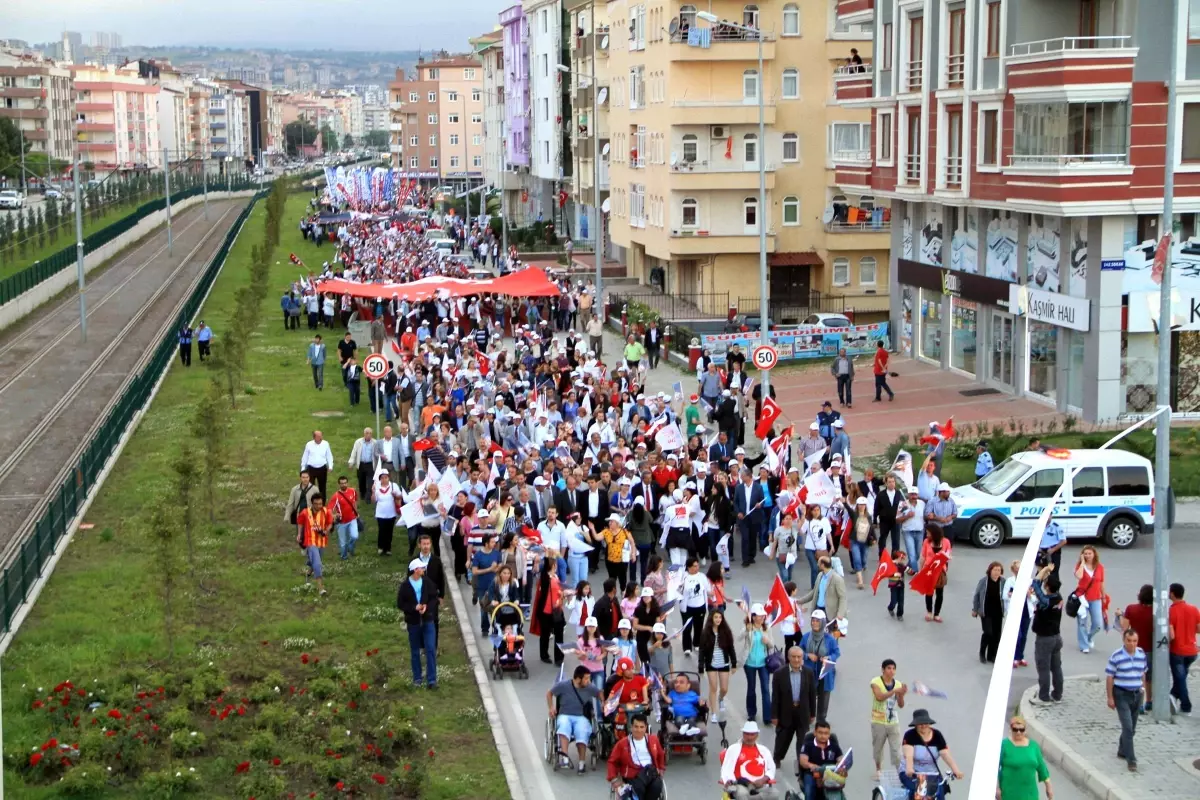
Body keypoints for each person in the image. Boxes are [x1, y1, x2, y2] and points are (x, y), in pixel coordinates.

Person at [1105, 628, 1147, 772]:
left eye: (1134, 641)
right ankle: (1131, 760)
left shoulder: (1141, 654)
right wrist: (1110, 697)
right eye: (1129, 641)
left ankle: (1122, 750)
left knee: (1132, 728)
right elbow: (1110, 677)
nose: (1132, 644)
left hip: (1137, 694)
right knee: (1127, 727)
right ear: (1124, 641)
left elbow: (1143, 673)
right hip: (1122, 694)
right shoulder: (1116, 656)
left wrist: (1143, 690)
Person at [547, 665, 602, 774]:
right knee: (563, 725)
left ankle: (582, 763)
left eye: (588, 678)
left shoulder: (589, 687)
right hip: (565, 715)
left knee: (582, 731)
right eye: (586, 678)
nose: (588, 681)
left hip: (581, 717)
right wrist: (551, 707)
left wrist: (604, 702)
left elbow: (599, 693)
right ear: (578, 678)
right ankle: (565, 758)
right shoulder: (563, 685)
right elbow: (549, 693)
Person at [769, 646, 816, 767]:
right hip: (785, 713)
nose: (796, 660)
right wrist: (774, 715)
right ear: (788, 657)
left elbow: (812, 694)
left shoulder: (808, 672)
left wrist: (812, 714)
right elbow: (775, 697)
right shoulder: (779, 674)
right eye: (793, 657)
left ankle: (801, 762)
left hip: (803, 712)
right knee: (783, 738)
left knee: (802, 740)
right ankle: (777, 757)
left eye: (799, 657)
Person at [900, 709, 964, 798]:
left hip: (932, 774)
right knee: (917, 793)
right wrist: (909, 769)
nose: (923, 726)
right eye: (920, 723)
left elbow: (945, 754)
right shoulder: (910, 735)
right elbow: (909, 755)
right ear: (915, 725)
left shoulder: (937, 735)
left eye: (925, 723)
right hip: (914, 772)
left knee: (939, 793)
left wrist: (956, 770)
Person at [396, 558, 439, 689]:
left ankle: (432, 680)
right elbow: (400, 604)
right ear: (415, 570)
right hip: (413, 622)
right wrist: (413, 608)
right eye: (421, 568)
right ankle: (417, 678)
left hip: (428, 620)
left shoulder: (426, 582)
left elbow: (433, 597)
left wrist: (426, 606)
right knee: (415, 651)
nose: (424, 570)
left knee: (430, 649)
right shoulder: (405, 586)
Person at [606, 714, 665, 800]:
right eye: (636, 726)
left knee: (657, 786)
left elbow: (660, 754)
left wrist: (661, 768)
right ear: (631, 727)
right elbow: (612, 761)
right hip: (632, 774)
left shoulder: (653, 740)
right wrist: (613, 778)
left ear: (646, 727)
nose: (639, 730)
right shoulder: (622, 744)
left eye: (642, 727)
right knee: (637, 788)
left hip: (650, 773)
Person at [1029, 565, 1065, 705]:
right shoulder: (1058, 597)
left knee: (1043, 667)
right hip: (1056, 637)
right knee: (1056, 667)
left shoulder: (1046, 601)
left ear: (1048, 587)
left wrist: (1044, 570)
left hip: (1045, 638)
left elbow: (1035, 583)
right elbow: (1042, 583)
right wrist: (1047, 572)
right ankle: (1057, 695)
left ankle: (1043, 697)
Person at [997, 715, 1053, 800]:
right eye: (1015, 729)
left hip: (1030, 793)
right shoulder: (1004, 745)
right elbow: (994, 768)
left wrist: (1048, 787)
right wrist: (997, 788)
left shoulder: (1033, 746)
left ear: (1025, 731)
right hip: (1009, 793)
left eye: (1021, 730)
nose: (1018, 732)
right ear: (1010, 730)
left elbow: (1042, 767)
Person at [720, 721, 779, 800]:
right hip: (741, 785)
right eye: (747, 734)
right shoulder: (733, 749)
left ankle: (751, 798)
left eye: (752, 734)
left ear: (757, 735)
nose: (749, 737)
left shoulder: (764, 750)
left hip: (759, 785)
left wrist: (763, 780)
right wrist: (730, 781)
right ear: (743, 734)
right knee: (742, 794)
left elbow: (772, 768)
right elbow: (726, 769)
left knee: (775, 793)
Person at [800, 610, 840, 721]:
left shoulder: (829, 639)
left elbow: (836, 653)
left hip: (825, 672)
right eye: (813, 620)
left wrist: (829, 658)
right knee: (809, 696)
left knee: (824, 697)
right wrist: (807, 655)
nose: (814, 623)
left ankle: (821, 720)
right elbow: (799, 651)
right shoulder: (806, 637)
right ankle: (809, 717)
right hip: (809, 672)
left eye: (817, 621)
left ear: (822, 623)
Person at [1120, 584, 1155, 710]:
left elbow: (1124, 628)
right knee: (1148, 677)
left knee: (1137, 676)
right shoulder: (1156, 611)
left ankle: (1138, 703)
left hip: (1134, 648)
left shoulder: (1131, 608)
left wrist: (1119, 616)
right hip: (1150, 648)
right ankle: (1149, 700)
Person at [870, 659, 906, 780]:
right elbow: (879, 697)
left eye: (893, 668)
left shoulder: (898, 684)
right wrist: (894, 691)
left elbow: (901, 705)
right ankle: (878, 769)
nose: (891, 671)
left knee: (896, 749)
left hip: (893, 721)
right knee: (878, 748)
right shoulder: (875, 682)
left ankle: (900, 772)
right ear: (883, 669)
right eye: (889, 668)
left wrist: (901, 695)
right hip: (878, 721)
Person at [699, 609, 736, 719]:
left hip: (724, 663)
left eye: (720, 617)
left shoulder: (726, 631)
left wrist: (733, 663)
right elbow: (702, 650)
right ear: (711, 618)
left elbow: (731, 648)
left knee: (724, 689)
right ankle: (713, 712)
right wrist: (701, 666)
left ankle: (721, 698)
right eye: (716, 617)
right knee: (713, 687)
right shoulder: (706, 632)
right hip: (711, 663)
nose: (718, 619)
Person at [1168, 582, 1199, 715]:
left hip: (1178, 652)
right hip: (1192, 651)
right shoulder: (1193, 609)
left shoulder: (1172, 610)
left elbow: (1172, 635)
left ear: (1173, 594)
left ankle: (1186, 706)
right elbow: (1198, 629)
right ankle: (1172, 695)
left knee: (1180, 679)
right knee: (1181, 678)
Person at [741, 603, 774, 724]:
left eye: (763, 616)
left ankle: (767, 716)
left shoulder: (767, 628)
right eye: (759, 616)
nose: (761, 618)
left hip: (764, 663)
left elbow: (772, 645)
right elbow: (739, 637)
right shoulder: (748, 627)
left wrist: (767, 641)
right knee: (751, 688)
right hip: (749, 663)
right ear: (753, 617)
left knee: (765, 689)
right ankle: (751, 713)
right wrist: (746, 629)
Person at [531, 556, 567, 665]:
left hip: (556, 609)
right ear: (551, 566)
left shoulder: (555, 576)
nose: (556, 566)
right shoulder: (545, 578)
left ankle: (559, 658)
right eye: (554, 564)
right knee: (545, 634)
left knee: (559, 634)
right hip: (545, 611)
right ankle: (544, 655)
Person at [796, 556, 847, 630]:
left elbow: (842, 597)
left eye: (818, 563)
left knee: (830, 636)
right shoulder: (820, 575)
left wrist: (840, 614)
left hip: (830, 613)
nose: (817, 564)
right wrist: (800, 601)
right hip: (818, 609)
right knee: (817, 633)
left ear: (823, 565)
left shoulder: (837, 579)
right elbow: (814, 592)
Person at [295, 492, 331, 596]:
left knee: (315, 560)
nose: (319, 506)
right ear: (312, 503)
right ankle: (321, 588)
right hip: (310, 541)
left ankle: (308, 573)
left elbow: (329, 523)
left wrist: (326, 531)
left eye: (320, 503)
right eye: (316, 504)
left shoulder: (326, 511)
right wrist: (299, 534)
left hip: (322, 541)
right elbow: (300, 522)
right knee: (318, 563)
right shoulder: (305, 512)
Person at [798, 720, 844, 800]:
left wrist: (840, 764)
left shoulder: (834, 746)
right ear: (815, 733)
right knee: (809, 792)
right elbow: (803, 761)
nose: (823, 736)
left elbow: (840, 759)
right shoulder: (808, 745)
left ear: (829, 734)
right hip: (812, 774)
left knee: (839, 792)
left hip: (830, 774)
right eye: (820, 733)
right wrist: (811, 765)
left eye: (826, 733)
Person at [1072, 545, 1105, 653]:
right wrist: (1082, 563)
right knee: (1082, 622)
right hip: (1082, 598)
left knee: (1098, 624)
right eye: (1085, 553)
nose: (1087, 555)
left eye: (1089, 553)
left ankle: (1089, 637)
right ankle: (1084, 645)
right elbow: (1079, 576)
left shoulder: (1099, 567)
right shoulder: (1079, 566)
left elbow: (1101, 582)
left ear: (1094, 554)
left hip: (1096, 598)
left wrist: (1103, 595)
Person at [972, 561, 1005, 663]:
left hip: (998, 612)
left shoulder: (1003, 581)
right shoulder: (983, 581)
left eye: (999, 570)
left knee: (997, 635)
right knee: (988, 632)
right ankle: (982, 653)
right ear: (990, 570)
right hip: (986, 612)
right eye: (995, 570)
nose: (996, 572)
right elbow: (977, 595)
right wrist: (975, 609)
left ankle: (992, 655)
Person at [472, 533, 504, 637]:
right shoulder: (478, 555)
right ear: (486, 543)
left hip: (495, 586)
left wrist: (497, 568)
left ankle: (496, 627)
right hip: (482, 585)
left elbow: (500, 565)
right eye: (492, 542)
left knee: (496, 606)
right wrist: (489, 569)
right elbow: (475, 571)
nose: (494, 543)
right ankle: (485, 628)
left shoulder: (496, 554)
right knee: (484, 608)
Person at [920, 525, 951, 622]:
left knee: (939, 593)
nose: (927, 534)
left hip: (940, 570)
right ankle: (929, 612)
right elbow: (923, 557)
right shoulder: (926, 542)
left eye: (928, 533)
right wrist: (921, 571)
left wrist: (947, 559)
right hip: (928, 570)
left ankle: (937, 614)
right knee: (929, 592)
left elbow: (948, 554)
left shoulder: (946, 542)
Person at [329, 475, 360, 560]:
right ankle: (344, 557)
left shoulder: (353, 491)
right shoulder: (336, 496)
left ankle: (350, 547)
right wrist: (334, 515)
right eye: (342, 483)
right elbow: (329, 509)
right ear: (339, 484)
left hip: (352, 519)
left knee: (355, 536)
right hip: (341, 522)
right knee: (343, 543)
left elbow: (354, 502)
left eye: (345, 483)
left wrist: (356, 513)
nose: (344, 485)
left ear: (347, 483)